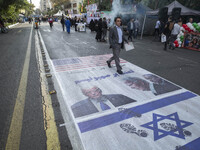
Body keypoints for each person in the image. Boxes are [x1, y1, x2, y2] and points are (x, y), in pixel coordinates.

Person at [71, 85, 136, 118]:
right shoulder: (78, 107)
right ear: (85, 95)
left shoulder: (119, 97)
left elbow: (136, 106)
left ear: (100, 90)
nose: (93, 93)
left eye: (95, 90)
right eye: (89, 92)